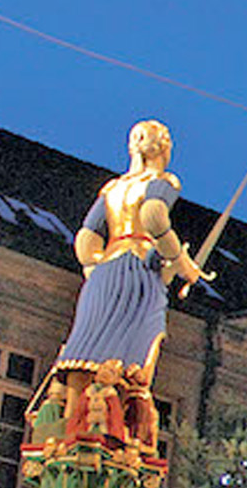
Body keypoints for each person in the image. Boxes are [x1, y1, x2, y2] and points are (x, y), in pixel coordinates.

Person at [58, 120, 207, 377]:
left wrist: (94, 270)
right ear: (162, 148)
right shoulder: (162, 181)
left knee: (86, 348)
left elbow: (86, 237)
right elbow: (153, 216)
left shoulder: (113, 188)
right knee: (137, 347)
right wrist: (181, 263)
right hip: (138, 272)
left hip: (103, 273)